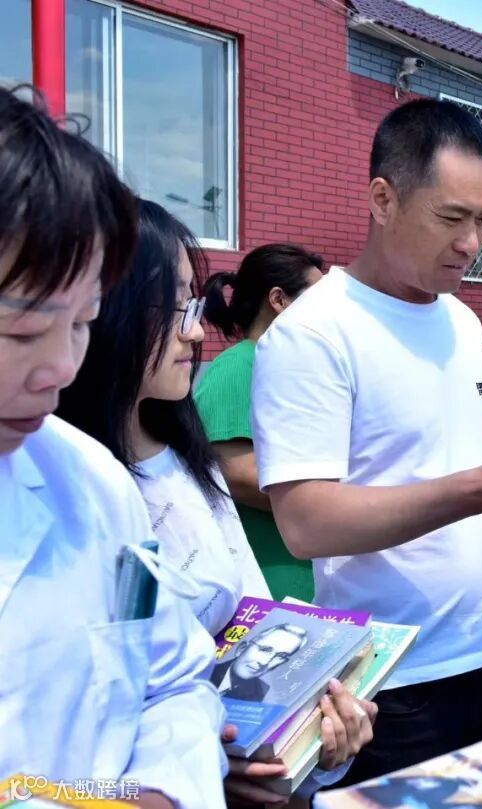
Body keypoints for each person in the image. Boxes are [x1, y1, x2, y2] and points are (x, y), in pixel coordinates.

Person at [251, 98, 482, 781]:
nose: (472, 242)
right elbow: (306, 522)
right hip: (381, 681)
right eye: (451, 217)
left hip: (479, 651)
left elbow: (468, 446)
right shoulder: (314, 333)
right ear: (383, 198)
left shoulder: (463, 320)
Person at [56, 200, 374, 804]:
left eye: (194, 306)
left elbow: (250, 618)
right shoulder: (72, 484)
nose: (196, 331)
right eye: (176, 307)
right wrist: (187, 769)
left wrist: (317, 724)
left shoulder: (186, 458)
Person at [0, 86, 225, 808]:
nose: (61, 367)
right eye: (22, 331)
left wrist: (158, 791)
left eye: (82, 323)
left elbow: (172, 682)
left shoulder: (92, 483)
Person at [196, 244, 325, 601]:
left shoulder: (296, 370)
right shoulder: (238, 366)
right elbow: (238, 474)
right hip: (272, 584)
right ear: (279, 300)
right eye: (318, 300)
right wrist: (334, 503)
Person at [211, 623, 308, 702]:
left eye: (280, 656)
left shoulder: (260, 694)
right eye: (264, 649)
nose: (264, 662)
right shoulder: (205, 672)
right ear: (242, 648)